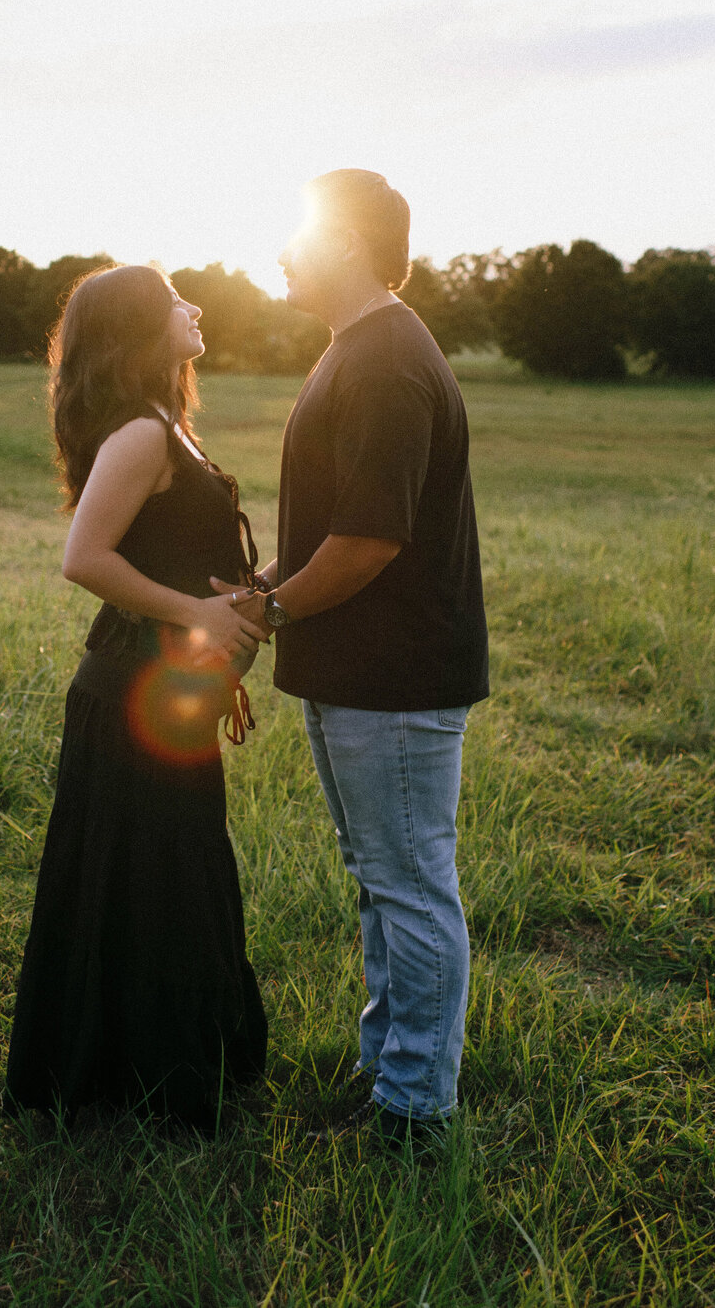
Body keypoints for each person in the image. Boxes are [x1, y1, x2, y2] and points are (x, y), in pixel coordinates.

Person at [216, 170, 487, 1150]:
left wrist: (271, 611)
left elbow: (372, 545)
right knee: (383, 876)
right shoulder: (357, 349)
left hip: (397, 676)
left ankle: (415, 1109)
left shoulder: (382, 363)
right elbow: (335, 526)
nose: (282, 250)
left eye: (299, 233)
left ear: (347, 244)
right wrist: (256, 595)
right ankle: (388, 1072)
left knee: (410, 879)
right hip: (358, 675)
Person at [4, 264, 268, 1133]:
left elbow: (167, 556)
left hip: (165, 688)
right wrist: (199, 612)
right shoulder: (140, 436)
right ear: (140, 331)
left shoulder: (168, 424)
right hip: (127, 693)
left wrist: (244, 598)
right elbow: (86, 558)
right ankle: (137, 1077)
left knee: (174, 875)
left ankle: (164, 1065)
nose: (193, 308)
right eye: (174, 302)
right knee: (145, 880)